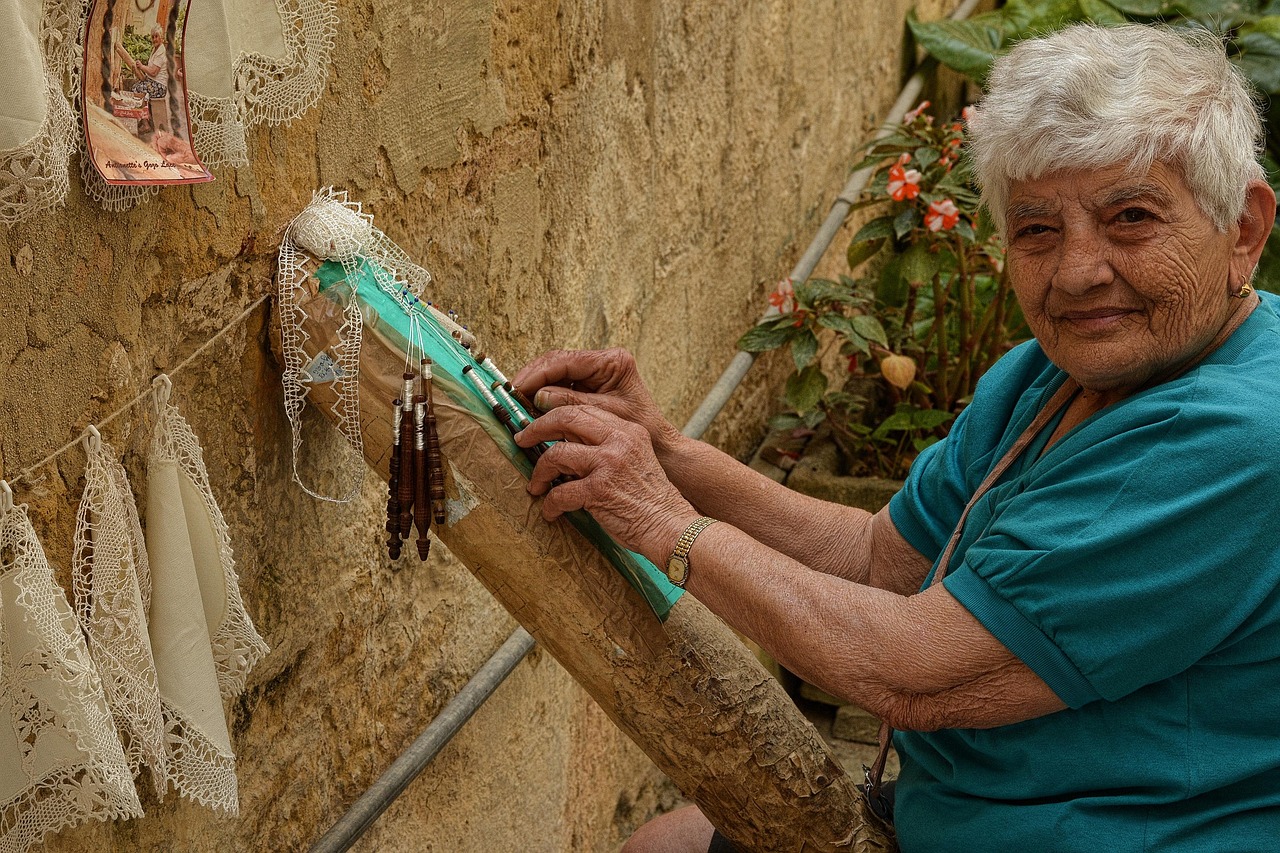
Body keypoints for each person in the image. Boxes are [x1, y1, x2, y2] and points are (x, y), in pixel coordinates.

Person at [511, 23, 1280, 853]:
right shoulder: (1049, 377)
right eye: (1036, 230)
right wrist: (669, 454)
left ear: (1243, 226)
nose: (1075, 271)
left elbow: (912, 673)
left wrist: (664, 522)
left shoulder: (1229, 439)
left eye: (1130, 217)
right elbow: (884, 558)